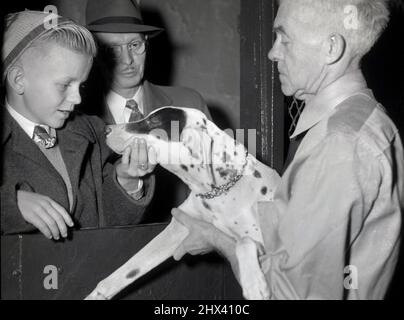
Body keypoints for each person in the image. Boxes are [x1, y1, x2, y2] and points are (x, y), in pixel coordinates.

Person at [172, 0, 404, 299]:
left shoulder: (339, 144)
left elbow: (288, 293)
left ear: (332, 48)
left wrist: (216, 239)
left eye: (285, 38)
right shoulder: (369, 121)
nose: (272, 52)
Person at [1, 10, 155, 240]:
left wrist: (127, 181)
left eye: (81, 86)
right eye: (65, 85)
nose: (77, 99)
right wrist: (9, 203)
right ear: (18, 80)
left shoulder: (89, 132)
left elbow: (108, 226)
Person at [81, 0, 212, 221]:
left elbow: (216, 185)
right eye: (112, 49)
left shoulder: (188, 104)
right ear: (93, 54)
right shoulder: (76, 118)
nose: (127, 60)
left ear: (146, 44)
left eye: (134, 45)